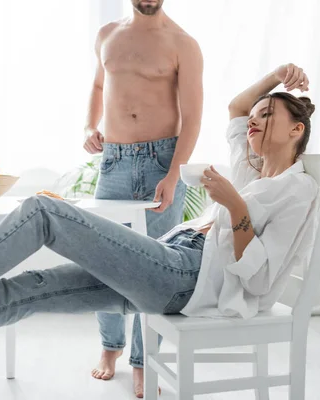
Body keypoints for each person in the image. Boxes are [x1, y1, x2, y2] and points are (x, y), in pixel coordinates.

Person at [0, 63, 316, 399]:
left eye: (268, 116)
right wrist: (276, 79)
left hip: (186, 277)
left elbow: (261, 281)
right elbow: (232, 109)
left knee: (43, 213)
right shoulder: (250, 170)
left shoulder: (299, 191)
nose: (253, 120)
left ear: (297, 131)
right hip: (172, 259)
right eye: (257, 114)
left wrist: (234, 208)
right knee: (30, 290)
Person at [83, 0, 203, 392]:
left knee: (154, 269)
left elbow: (193, 115)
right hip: (114, 163)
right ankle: (110, 346)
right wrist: (88, 125)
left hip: (162, 162)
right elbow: (99, 85)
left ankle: (142, 360)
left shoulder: (183, 44)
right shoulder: (107, 36)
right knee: (102, 262)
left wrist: (173, 174)